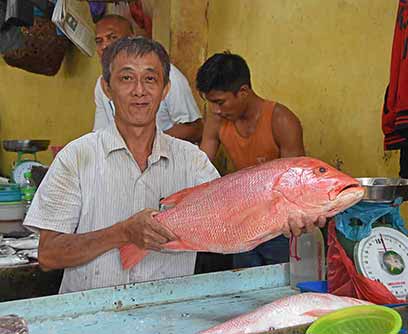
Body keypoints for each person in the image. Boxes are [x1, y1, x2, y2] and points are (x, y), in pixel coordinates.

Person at [24, 38, 324, 293]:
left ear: (166, 89)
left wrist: (281, 217)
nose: (139, 90)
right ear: (107, 88)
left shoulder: (193, 162)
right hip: (90, 316)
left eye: (151, 79)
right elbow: (49, 255)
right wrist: (123, 233)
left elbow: (231, 224)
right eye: (126, 78)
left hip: (169, 313)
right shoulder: (76, 157)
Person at [197, 52, 306, 269]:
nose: (216, 110)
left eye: (220, 102)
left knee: (280, 283)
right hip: (243, 220)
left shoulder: (282, 120)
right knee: (244, 281)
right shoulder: (217, 120)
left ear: (243, 92)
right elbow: (200, 168)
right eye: (211, 103)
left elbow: (292, 188)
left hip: (279, 224)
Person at [93, 15, 203, 143]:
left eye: (113, 37)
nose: (105, 46)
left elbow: (195, 129)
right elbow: (100, 133)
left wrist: (149, 143)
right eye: (99, 41)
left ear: (131, 39)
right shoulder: (103, 83)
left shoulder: (166, 74)